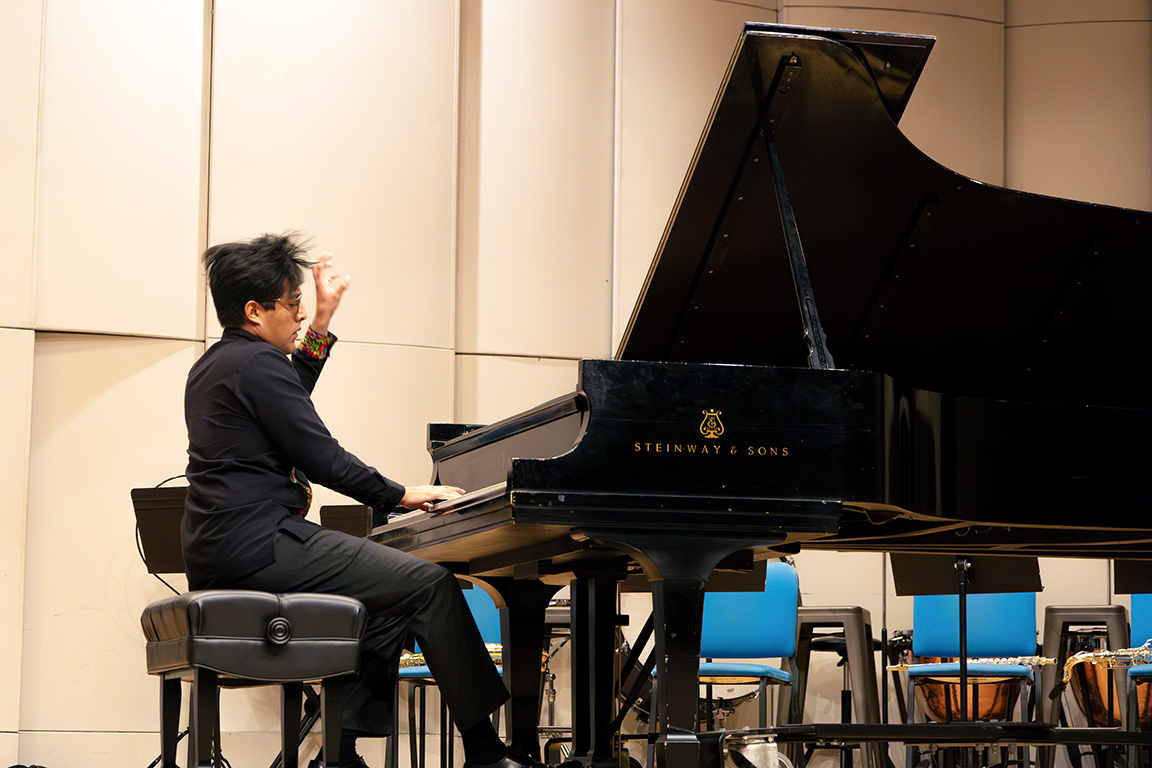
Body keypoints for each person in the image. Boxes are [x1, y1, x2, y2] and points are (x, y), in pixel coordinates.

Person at [182, 232, 536, 768]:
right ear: (254, 311)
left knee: (387, 602)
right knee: (431, 584)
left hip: (224, 548)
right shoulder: (257, 366)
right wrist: (401, 494)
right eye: (294, 303)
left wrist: (323, 319)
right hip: (260, 544)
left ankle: (341, 754)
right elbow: (322, 457)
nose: (299, 315)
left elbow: (287, 391)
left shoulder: (221, 364)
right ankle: (486, 752)